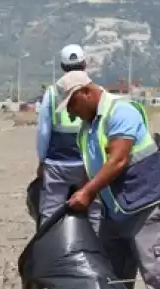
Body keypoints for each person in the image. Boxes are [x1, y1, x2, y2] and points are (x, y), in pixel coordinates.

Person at [54, 70, 160, 289]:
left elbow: (118, 159)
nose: (73, 115)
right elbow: (92, 167)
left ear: (86, 94)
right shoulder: (87, 128)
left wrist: (87, 193)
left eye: (73, 106)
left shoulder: (121, 112)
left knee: (156, 268)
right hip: (115, 208)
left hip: (146, 202)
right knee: (113, 272)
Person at [35, 44, 102, 230]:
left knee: (50, 211)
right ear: (84, 64)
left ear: (62, 67)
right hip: (87, 163)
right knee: (94, 209)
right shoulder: (95, 91)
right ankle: (95, 250)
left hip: (57, 162)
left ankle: (48, 249)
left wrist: (42, 160)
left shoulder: (52, 92)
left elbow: (43, 131)